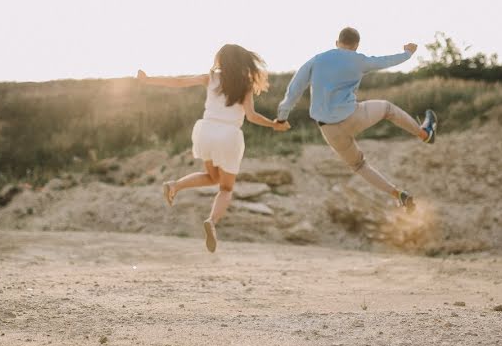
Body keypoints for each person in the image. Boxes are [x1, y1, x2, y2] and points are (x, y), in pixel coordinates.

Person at [137, 44, 289, 252]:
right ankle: (211, 221)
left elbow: (179, 81)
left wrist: (148, 80)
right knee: (225, 188)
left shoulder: (210, 78)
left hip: (205, 131)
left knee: (212, 176)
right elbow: (252, 116)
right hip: (228, 135)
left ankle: (175, 185)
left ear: (221, 60)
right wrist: (274, 125)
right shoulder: (245, 84)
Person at [276, 27, 436, 212]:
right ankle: (424, 133)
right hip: (354, 116)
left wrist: (282, 117)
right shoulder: (359, 60)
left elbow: (294, 89)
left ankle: (398, 194)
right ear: (357, 45)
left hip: (328, 128)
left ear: (337, 43)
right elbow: (386, 61)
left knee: (359, 165)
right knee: (387, 108)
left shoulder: (317, 60)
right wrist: (408, 53)